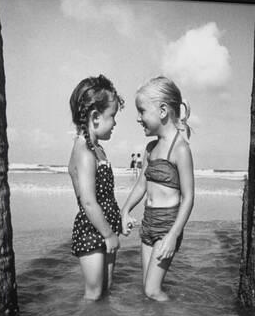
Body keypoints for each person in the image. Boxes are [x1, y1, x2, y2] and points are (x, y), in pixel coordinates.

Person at [121, 76, 194, 301]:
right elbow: (141, 185)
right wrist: (125, 211)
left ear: (162, 111)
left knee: (152, 290)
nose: (138, 118)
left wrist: (173, 235)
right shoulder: (151, 148)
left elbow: (189, 197)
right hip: (148, 222)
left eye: (142, 111)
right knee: (147, 288)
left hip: (167, 225)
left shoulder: (180, 149)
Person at [68, 74, 125, 300]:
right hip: (93, 230)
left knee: (106, 287)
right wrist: (108, 234)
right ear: (94, 117)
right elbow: (89, 201)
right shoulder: (83, 152)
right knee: (93, 293)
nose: (115, 122)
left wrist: (118, 221)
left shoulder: (97, 149)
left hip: (106, 225)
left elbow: (106, 196)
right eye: (112, 116)